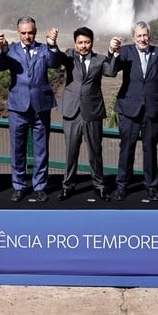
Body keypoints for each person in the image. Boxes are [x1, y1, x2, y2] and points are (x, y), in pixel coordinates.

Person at [104, 21, 158, 202]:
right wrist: (112, 51)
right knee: (126, 149)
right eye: (139, 36)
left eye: (145, 35)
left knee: (150, 149)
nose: (143, 39)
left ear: (149, 36)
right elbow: (111, 71)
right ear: (133, 37)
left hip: (153, 109)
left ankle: (151, 186)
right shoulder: (126, 51)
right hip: (129, 109)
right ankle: (122, 186)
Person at [0, 16, 60, 202]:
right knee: (17, 148)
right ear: (18, 33)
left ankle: (39, 186)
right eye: (23, 33)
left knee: (41, 149)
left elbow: (54, 63)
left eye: (30, 32)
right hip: (17, 107)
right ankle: (19, 186)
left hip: (41, 106)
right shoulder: (11, 50)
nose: (27, 36)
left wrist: (53, 44)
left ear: (35, 32)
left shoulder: (45, 49)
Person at [54, 26, 113, 202]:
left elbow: (111, 71)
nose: (83, 45)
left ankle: (99, 186)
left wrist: (112, 52)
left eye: (87, 42)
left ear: (92, 43)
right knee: (71, 152)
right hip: (72, 112)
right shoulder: (69, 55)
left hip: (92, 112)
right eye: (80, 42)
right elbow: (57, 58)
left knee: (95, 152)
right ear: (75, 43)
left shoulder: (100, 59)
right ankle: (67, 186)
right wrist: (52, 43)